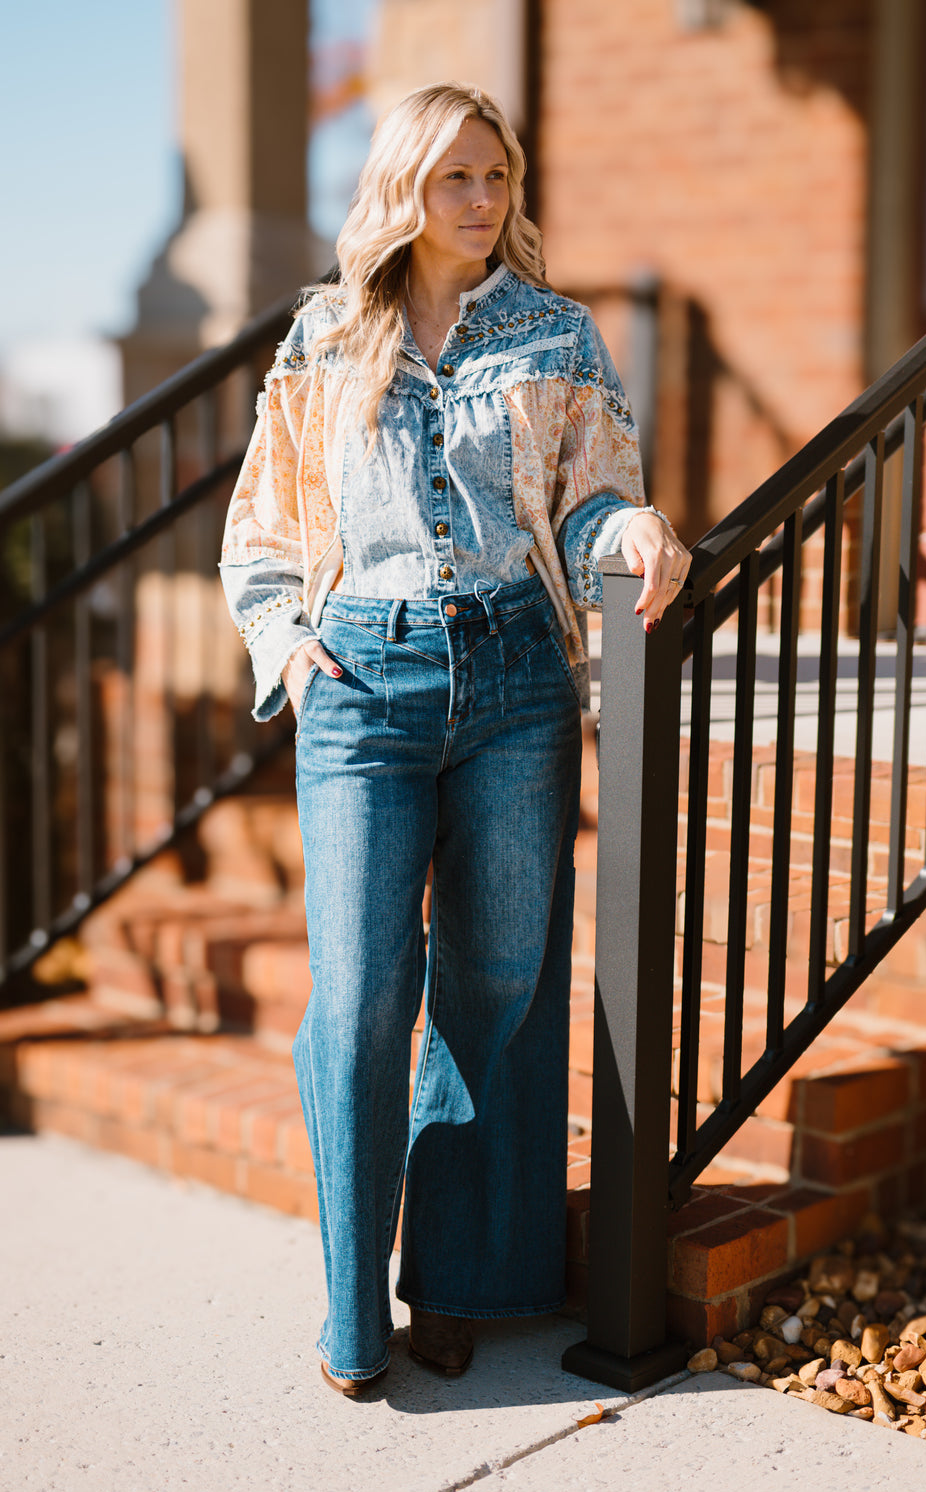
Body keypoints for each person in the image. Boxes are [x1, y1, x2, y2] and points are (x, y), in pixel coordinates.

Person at [220, 81, 690, 1396]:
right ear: (403, 188)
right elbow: (260, 529)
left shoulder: (556, 333)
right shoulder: (325, 336)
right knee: (363, 998)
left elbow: (592, 500)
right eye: (457, 179)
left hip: (516, 686)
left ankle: (465, 1279)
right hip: (361, 684)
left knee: (495, 985)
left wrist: (634, 530)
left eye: (498, 176)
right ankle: (350, 1309)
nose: (484, 202)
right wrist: (289, 653)